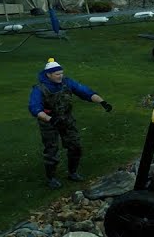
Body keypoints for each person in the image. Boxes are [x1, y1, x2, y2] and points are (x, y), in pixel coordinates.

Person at [28, 58, 112, 188]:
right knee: (51, 150)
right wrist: (51, 119)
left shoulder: (67, 83)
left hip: (66, 120)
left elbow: (85, 92)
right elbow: (35, 108)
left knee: (75, 146)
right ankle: (51, 178)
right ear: (48, 74)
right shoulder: (39, 89)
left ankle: (73, 173)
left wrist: (102, 102)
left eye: (61, 73)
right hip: (49, 123)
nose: (60, 76)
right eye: (57, 74)